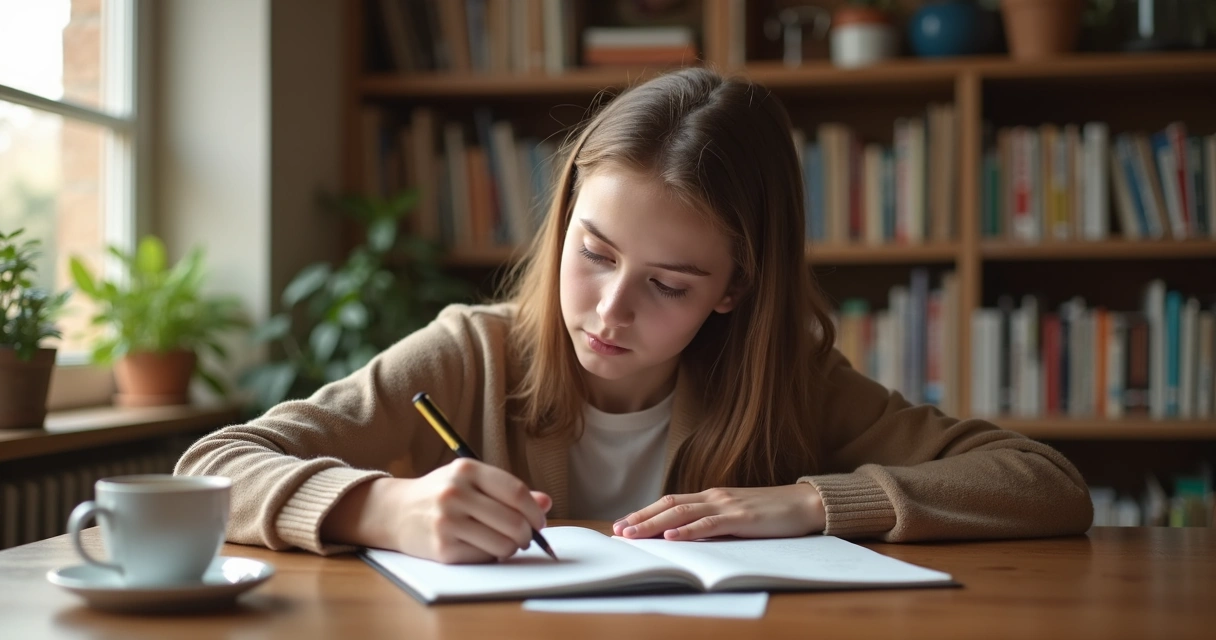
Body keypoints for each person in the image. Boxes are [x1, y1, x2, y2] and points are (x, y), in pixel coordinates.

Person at [176, 67, 1092, 564]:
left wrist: (812, 503)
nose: (609, 310)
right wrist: (383, 507)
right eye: (595, 252)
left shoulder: (791, 385)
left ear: (734, 288)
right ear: (566, 213)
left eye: (669, 284)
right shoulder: (472, 352)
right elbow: (211, 466)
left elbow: (1042, 480)